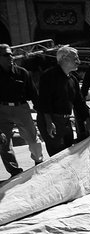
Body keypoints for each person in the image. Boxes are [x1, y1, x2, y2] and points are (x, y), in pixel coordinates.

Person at [37, 46, 90, 156]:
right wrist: (49, 123)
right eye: (75, 59)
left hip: (66, 122)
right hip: (51, 121)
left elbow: (80, 103)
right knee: (57, 155)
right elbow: (44, 102)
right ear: (64, 59)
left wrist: (88, 122)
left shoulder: (73, 79)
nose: (78, 61)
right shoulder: (49, 76)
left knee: (68, 153)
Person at [0, 43, 44, 176]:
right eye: (6, 55)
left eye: (11, 54)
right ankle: (14, 171)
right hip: (2, 110)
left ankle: (39, 162)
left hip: (21, 108)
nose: (11, 57)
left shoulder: (22, 73)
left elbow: (34, 95)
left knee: (32, 137)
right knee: (4, 143)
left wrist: (42, 113)